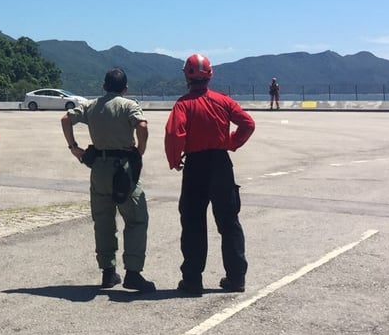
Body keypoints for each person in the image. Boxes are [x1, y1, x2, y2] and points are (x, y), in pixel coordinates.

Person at [165, 54, 256, 296]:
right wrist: (231, 143)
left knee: (193, 223)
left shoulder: (183, 104)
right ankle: (236, 278)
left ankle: (193, 280)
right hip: (221, 164)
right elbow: (248, 124)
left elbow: (174, 134)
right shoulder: (223, 101)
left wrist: (175, 160)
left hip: (195, 165)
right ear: (210, 75)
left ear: (186, 75)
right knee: (229, 223)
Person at [61, 67, 155, 292]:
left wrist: (74, 147)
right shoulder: (128, 105)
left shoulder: (92, 105)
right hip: (122, 167)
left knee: (103, 221)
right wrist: (139, 150)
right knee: (135, 219)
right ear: (125, 88)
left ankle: (108, 272)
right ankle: (133, 272)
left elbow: (65, 119)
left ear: (104, 86)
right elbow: (142, 126)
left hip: (99, 167)